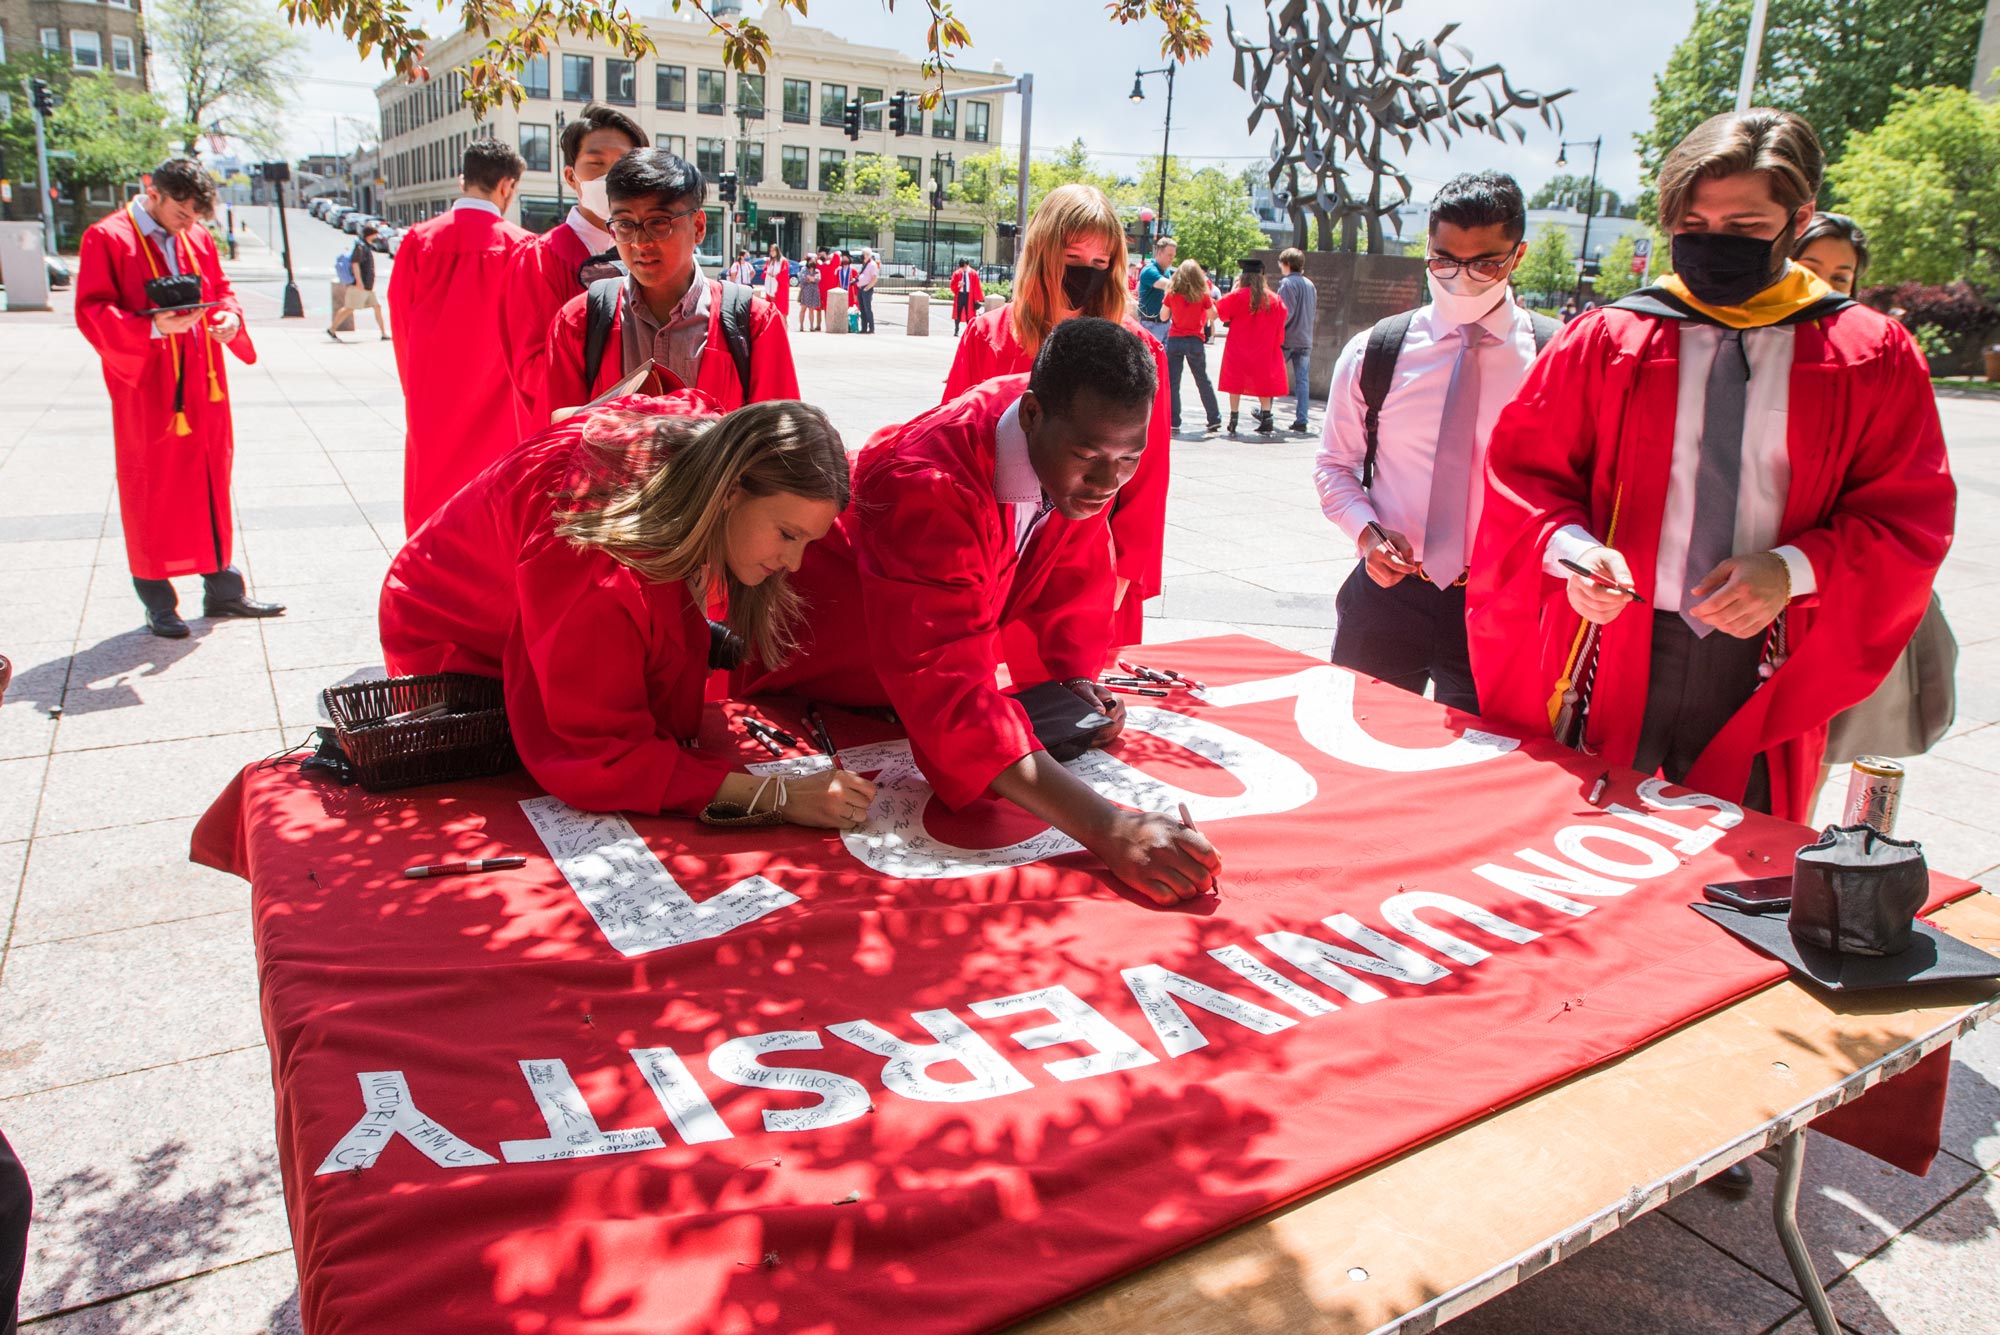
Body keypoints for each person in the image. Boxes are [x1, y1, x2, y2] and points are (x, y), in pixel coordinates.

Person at [1469, 109, 1956, 825]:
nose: (1713, 243)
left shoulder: (1869, 353)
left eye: (1745, 227)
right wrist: (1575, 556)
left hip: (1765, 654)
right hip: (1619, 642)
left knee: (1734, 863)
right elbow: (1523, 475)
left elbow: (1905, 515)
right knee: (1580, 840)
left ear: (1800, 216)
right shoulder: (1609, 337)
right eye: (1693, 224)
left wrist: (1790, 569)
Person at [741, 319, 1220, 905]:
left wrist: (1067, 683)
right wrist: (1111, 828)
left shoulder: (1069, 438)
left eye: (1129, 458)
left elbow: (1069, 569)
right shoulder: (927, 483)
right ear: (1033, 415)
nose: (1105, 482)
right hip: (818, 667)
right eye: (1090, 456)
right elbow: (949, 696)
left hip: (903, 684)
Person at [380, 396, 874, 826]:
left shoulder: (708, 442)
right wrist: (780, 796)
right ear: (729, 491)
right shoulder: (598, 565)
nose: (794, 562)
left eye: (808, 541)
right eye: (787, 534)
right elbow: (600, 755)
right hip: (454, 633)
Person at [1317, 170, 1545, 715]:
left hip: (1501, 605)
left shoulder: (1553, 357)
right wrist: (1367, 535)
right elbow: (1334, 465)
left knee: (1484, 772)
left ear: (1518, 255)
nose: (1461, 278)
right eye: (1444, 260)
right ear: (1427, 248)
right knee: (1355, 743)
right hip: (1389, 596)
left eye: (1484, 263)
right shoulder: (1378, 351)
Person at [942, 183, 1172, 650]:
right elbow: (950, 447)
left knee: (1077, 695)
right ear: (1043, 253)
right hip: (993, 550)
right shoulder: (989, 336)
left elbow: (1147, 472)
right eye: (1072, 258)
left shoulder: (1138, 349)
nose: (1085, 275)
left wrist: (1125, 567)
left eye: (1100, 263)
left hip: (1090, 556)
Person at [75, 157, 283, 638]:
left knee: (210, 477)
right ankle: (158, 600)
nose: (188, 224)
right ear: (155, 193)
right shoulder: (108, 237)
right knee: (151, 484)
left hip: (203, 380)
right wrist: (149, 326)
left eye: (195, 217)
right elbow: (91, 309)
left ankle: (222, 590)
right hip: (148, 383)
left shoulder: (199, 238)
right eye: (181, 213)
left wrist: (229, 319)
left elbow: (221, 290)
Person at [1790, 212, 1959, 797]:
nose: (1825, 286)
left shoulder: (1876, 353)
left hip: (1837, 583)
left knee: (1814, 751)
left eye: (1842, 277)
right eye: (1809, 267)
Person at [541, 149, 799, 419]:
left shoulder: (753, 325)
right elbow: (552, 447)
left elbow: (780, 446)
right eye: (625, 224)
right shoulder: (579, 323)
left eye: (659, 223)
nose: (640, 243)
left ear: (698, 226)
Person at [387, 139, 534, 532]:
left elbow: (400, 321)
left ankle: (426, 571)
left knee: (432, 492)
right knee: (490, 499)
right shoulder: (521, 247)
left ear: (461, 180)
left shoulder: (418, 240)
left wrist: (412, 384)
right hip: (499, 399)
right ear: (507, 186)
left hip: (432, 395)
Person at [499, 104, 649, 444]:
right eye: (596, 165)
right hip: (575, 444)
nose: (610, 178)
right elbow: (532, 373)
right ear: (571, 177)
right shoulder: (540, 260)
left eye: (622, 165)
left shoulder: (654, 251)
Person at [1215, 257, 1289, 435]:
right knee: (1264, 381)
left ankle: (1233, 419)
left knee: (1235, 381)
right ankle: (1266, 416)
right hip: (1264, 348)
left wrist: (1233, 290)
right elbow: (1281, 321)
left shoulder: (1236, 296)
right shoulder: (1274, 299)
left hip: (1238, 347)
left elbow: (1222, 314)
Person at [1161, 259, 1221, 434]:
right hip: (1195, 339)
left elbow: (1163, 316)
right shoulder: (1203, 295)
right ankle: (1213, 418)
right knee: (1202, 379)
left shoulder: (1171, 294)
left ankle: (1174, 420)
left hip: (1175, 339)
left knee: (1173, 382)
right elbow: (1214, 315)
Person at [1277, 247, 1318, 432]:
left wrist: (1276, 329)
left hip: (1288, 339)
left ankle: (1266, 412)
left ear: (1286, 264)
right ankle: (1302, 419)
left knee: (1273, 374)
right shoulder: (1310, 285)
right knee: (1302, 381)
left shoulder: (1287, 284)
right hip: (1305, 338)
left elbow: (1285, 312)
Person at [328, 223, 388, 342]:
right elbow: (355, 265)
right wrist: (359, 281)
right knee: (349, 308)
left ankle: (383, 333)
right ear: (369, 235)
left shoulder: (366, 246)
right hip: (360, 285)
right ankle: (332, 328)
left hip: (368, 285)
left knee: (377, 306)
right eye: (375, 234)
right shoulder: (360, 247)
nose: (377, 236)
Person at [1136, 234, 1177, 345]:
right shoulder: (1149, 270)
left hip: (1165, 323)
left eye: (1173, 255)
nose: (1172, 258)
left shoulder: (1167, 271)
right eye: (1169, 255)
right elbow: (1168, 285)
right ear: (1159, 253)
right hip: (1150, 324)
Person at [949, 257, 984, 336]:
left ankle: (969, 331)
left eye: (964, 266)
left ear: (967, 265)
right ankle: (956, 329)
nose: (963, 268)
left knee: (970, 314)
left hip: (969, 295)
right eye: (962, 267)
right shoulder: (957, 273)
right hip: (960, 295)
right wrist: (958, 285)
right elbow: (952, 285)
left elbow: (977, 286)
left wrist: (976, 299)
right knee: (957, 313)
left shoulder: (973, 273)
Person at [855, 246, 880, 333]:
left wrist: (867, 287)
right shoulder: (865, 264)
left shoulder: (872, 264)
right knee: (862, 309)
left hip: (866, 289)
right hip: (861, 288)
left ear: (867, 255)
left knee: (867, 309)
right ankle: (864, 328)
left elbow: (875, 278)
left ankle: (871, 328)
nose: (862, 256)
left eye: (863, 254)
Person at [764, 243, 791, 322]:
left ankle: (783, 327)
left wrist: (775, 276)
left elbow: (784, 274)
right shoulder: (769, 261)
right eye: (770, 251)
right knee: (770, 309)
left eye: (773, 250)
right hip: (769, 287)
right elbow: (765, 270)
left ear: (777, 251)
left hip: (779, 288)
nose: (771, 252)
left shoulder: (783, 261)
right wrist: (766, 273)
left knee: (781, 309)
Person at [798, 250, 823, 332]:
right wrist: (810, 279)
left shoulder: (817, 271)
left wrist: (810, 278)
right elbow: (802, 278)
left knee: (811, 310)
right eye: (811, 261)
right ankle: (801, 326)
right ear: (808, 262)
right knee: (803, 309)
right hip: (805, 291)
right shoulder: (804, 269)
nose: (812, 262)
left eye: (814, 261)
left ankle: (812, 326)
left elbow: (818, 279)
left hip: (814, 292)